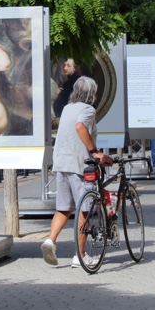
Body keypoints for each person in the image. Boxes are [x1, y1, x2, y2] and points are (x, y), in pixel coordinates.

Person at [40, 76, 113, 268]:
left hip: (61, 163)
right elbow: (80, 127)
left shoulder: (67, 108)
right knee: (84, 209)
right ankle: (79, 256)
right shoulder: (87, 109)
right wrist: (94, 152)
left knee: (64, 208)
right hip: (79, 165)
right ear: (91, 94)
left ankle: (50, 241)